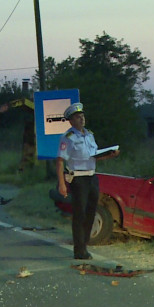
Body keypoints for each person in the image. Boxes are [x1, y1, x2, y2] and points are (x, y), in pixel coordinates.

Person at [56, 102, 119, 260]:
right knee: (80, 214)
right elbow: (59, 161)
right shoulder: (68, 138)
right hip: (78, 178)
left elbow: (94, 155)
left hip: (92, 177)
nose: (81, 119)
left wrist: (109, 155)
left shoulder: (89, 135)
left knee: (91, 212)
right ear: (71, 121)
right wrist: (62, 184)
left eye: (82, 116)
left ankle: (85, 245)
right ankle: (79, 249)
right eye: (77, 117)